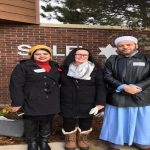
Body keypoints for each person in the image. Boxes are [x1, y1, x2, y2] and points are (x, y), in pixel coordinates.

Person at [99, 36, 150, 150]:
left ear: (136, 45)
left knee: (141, 122)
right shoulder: (112, 60)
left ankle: (141, 142)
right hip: (118, 96)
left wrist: (138, 87)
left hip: (141, 96)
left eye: (128, 44)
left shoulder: (147, 59)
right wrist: (123, 87)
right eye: (121, 45)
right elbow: (107, 76)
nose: (125, 47)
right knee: (117, 122)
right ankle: (115, 143)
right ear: (117, 48)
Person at [9, 45, 60, 150]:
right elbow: (16, 85)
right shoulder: (23, 67)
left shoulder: (55, 66)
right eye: (38, 54)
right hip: (31, 100)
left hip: (50, 101)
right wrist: (17, 102)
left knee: (47, 121)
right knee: (30, 122)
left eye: (45, 54)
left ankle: (44, 142)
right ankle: (32, 142)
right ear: (32, 56)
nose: (42, 56)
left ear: (50, 56)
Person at [60, 48, 106, 150]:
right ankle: (70, 138)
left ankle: (82, 138)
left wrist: (100, 103)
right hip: (67, 100)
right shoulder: (64, 68)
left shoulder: (95, 69)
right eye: (79, 54)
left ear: (88, 57)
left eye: (85, 55)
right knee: (68, 120)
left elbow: (101, 86)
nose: (82, 57)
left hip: (88, 100)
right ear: (73, 55)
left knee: (86, 120)